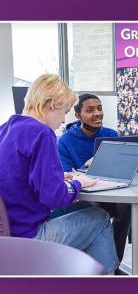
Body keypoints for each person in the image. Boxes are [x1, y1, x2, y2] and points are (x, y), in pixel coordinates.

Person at [0, 74, 119, 274]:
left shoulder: (6, 128)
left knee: (85, 208)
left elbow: (15, 175)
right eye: (64, 112)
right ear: (51, 105)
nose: (63, 120)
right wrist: (79, 183)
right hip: (28, 238)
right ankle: (108, 281)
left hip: (7, 234)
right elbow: (54, 198)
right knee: (99, 218)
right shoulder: (42, 133)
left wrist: (57, 177)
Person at [57, 93, 131, 263]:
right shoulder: (65, 141)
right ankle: (95, 263)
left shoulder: (111, 134)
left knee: (126, 209)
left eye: (99, 108)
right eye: (90, 110)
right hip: (84, 195)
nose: (97, 113)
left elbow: (120, 168)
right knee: (95, 209)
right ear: (78, 115)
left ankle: (115, 262)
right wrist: (87, 166)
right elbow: (67, 176)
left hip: (111, 192)